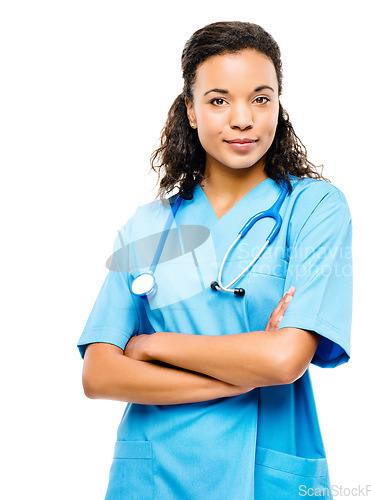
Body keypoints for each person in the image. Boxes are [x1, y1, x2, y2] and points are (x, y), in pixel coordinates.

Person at [78, 21, 353, 500]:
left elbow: (286, 359)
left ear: (278, 107)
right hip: (151, 476)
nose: (242, 118)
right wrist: (243, 376)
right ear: (191, 110)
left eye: (261, 98)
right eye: (219, 99)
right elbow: (99, 375)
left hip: (265, 471)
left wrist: (153, 345)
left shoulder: (313, 208)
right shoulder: (148, 226)